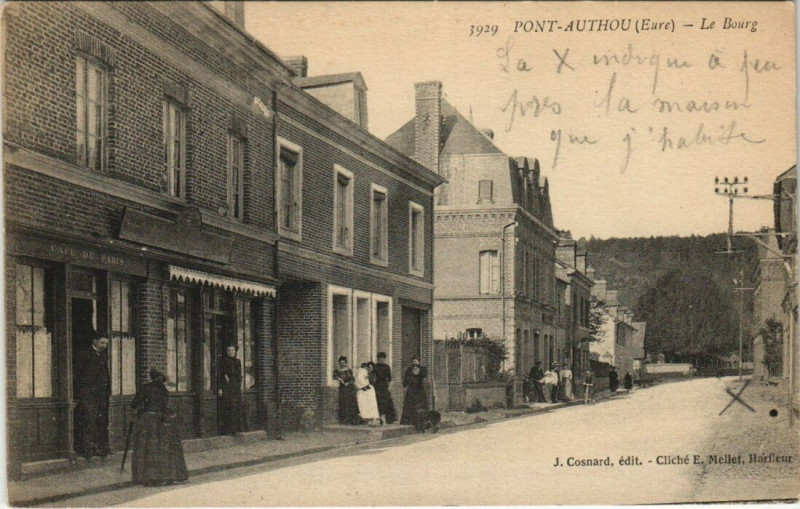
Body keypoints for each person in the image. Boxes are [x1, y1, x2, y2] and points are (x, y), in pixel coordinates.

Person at [130, 369, 188, 486]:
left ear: (152, 377)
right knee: (165, 449)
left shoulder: (146, 388)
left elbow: (134, 403)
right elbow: (164, 405)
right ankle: (168, 476)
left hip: (149, 419)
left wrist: (141, 408)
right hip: (163, 420)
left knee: (149, 448)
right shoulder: (164, 390)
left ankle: (151, 478)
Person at [76, 333, 111, 460]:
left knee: (100, 423)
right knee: (88, 422)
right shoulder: (86, 355)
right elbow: (79, 375)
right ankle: (87, 450)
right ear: (94, 341)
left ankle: (99, 448)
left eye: (106, 343)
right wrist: (83, 393)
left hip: (101, 397)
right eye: (102, 342)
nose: (104, 346)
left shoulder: (103, 356)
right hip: (89, 396)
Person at [218, 345, 244, 435]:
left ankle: (236, 429)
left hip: (235, 387)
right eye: (229, 350)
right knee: (228, 408)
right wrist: (220, 388)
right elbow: (221, 375)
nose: (231, 352)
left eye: (232, 350)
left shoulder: (237, 361)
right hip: (227, 387)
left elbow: (239, 374)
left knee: (236, 407)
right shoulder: (224, 361)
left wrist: (239, 384)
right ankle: (227, 429)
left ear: (235, 351)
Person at [400, 356, 428, 425]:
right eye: (413, 361)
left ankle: (421, 421)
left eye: (415, 361)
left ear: (419, 362)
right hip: (411, 390)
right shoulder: (409, 370)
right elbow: (406, 378)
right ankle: (408, 421)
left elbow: (424, 375)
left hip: (419, 390)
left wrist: (417, 372)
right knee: (409, 405)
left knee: (420, 405)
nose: (414, 363)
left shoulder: (422, 369)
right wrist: (405, 386)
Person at [333, 356, 359, 425]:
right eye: (340, 363)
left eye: (343, 363)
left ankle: (352, 420)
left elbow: (353, 379)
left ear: (346, 363)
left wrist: (348, 383)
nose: (342, 364)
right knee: (344, 403)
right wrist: (340, 379)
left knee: (351, 403)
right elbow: (334, 376)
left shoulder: (349, 370)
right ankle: (344, 420)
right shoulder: (337, 371)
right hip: (343, 389)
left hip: (350, 388)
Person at [373, 352, 397, 424]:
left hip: (384, 386)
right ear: (378, 359)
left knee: (386, 401)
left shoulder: (387, 367)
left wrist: (389, 386)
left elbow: (389, 378)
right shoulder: (375, 366)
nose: (381, 360)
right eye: (380, 358)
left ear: (384, 359)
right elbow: (373, 376)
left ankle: (386, 418)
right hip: (377, 385)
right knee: (378, 401)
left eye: (383, 358)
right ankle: (378, 417)